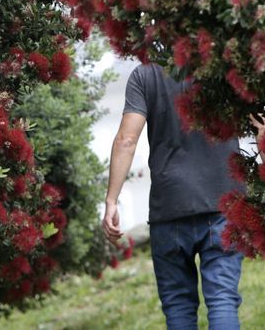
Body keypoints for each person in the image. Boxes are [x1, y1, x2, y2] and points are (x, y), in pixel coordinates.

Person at [103, 63, 244, 330]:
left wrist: (112, 200)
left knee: (178, 306)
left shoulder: (145, 75)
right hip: (223, 202)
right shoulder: (219, 61)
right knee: (223, 299)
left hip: (169, 207)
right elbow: (259, 121)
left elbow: (126, 140)